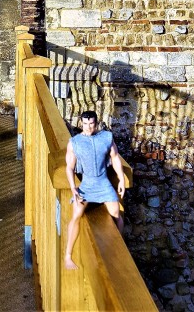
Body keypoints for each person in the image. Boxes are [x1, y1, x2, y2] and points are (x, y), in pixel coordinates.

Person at [65, 111, 125, 270]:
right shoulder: (75, 142)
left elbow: (115, 158)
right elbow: (69, 168)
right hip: (86, 185)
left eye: (91, 124)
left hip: (103, 183)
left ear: (96, 123)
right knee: (77, 214)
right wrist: (73, 188)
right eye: (85, 124)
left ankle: (117, 248)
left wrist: (121, 179)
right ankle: (68, 255)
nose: (88, 127)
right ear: (81, 124)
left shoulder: (106, 137)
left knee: (116, 213)